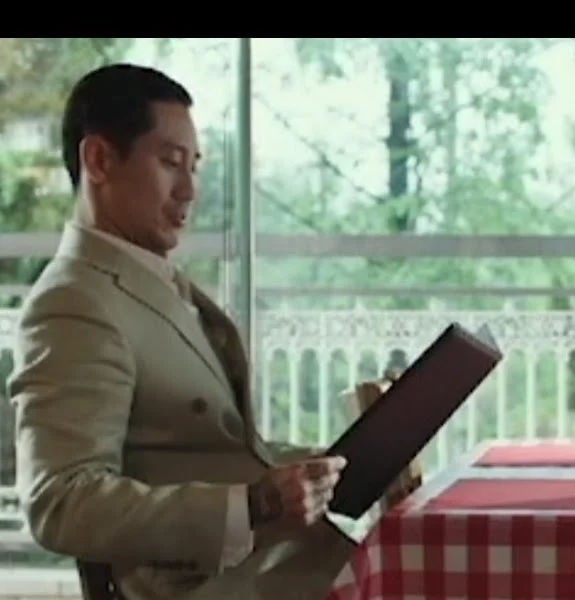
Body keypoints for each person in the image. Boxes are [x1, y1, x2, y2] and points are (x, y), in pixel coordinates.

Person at [7, 63, 375, 599]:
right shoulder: (74, 303)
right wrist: (254, 504)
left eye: (194, 166)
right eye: (170, 162)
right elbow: (61, 503)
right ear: (99, 160)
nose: (189, 189)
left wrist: (338, 463)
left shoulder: (150, 282)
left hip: (275, 567)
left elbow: (217, 450)